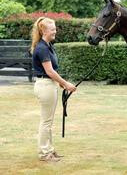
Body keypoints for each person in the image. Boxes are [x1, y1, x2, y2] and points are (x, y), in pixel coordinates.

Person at [31, 17, 76, 162]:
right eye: (52, 29)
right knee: (46, 122)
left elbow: (52, 72)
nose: (55, 31)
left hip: (48, 85)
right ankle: (44, 153)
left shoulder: (47, 45)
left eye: (55, 28)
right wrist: (66, 84)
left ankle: (49, 150)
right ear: (43, 31)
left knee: (48, 121)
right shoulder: (42, 48)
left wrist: (61, 84)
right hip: (45, 86)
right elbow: (49, 71)